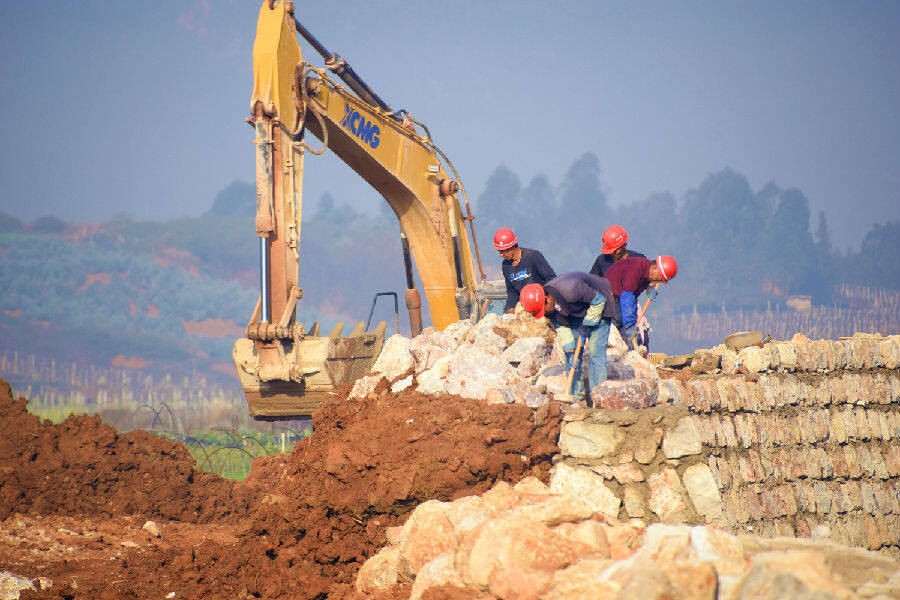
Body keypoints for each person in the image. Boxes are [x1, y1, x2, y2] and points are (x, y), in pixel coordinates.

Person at [519, 274, 616, 401]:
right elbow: (562, 328)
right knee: (571, 355)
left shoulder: (571, 289)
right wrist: (570, 351)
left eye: (544, 310)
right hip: (576, 311)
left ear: (547, 298)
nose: (545, 313)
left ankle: (598, 398)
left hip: (601, 302)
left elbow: (599, 301)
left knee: (595, 351)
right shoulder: (551, 308)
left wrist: (588, 324)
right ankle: (575, 396)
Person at [603, 255, 678, 349]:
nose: (658, 281)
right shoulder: (636, 268)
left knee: (630, 341)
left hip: (619, 298)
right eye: (660, 278)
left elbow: (632, 298)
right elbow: (627, 299)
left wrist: (649, 287)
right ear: (654, 268)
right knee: (617, 332)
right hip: (609, 297)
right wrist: (630, 326)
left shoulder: (647, 274)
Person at [493, 227, 556, 314]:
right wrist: (509, 309)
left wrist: (547, 299)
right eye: (499, 251)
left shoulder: (533, 256)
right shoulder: (506, 266)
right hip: (526, 309)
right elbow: (512, 291)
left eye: (503, 251)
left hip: (544, 306)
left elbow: (552, 279)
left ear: (512, 247)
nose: (500, 255)